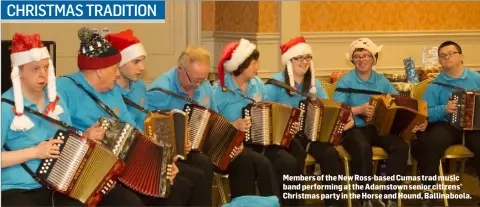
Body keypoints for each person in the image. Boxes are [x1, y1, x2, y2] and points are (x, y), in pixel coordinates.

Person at [55, 27, 179, 206]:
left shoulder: (112, 90)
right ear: (100, 71)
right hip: (88, 174)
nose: (118, 74)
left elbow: (133, 132)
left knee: (173, 188)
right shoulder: (63, 88)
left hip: (121, 168)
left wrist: (160, 160)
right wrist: (84, 135)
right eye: (115, 68)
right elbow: (58, 135)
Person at [145, 45, 277, 200]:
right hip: (178, 153)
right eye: (196, 79)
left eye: (204, 78)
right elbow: (152, 132)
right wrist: (177, 144)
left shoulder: (205, 85)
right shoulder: (160, 92)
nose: (200, 84)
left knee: (245, 160)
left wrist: (231, 140)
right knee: (203, 164)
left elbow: (216, 119)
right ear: (180, 69)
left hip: (208, 144)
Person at [105, 29, 211, 206]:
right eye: (136, 62)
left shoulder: (139, 86)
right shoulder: (110, 90)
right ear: (119, 63)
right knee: (183, 183)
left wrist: (178, 143)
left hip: (153, 148)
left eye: (142, 61)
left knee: (200, 169)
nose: (142, 68)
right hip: (132, 157)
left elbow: (151, 122)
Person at [263, 36, 353, 207]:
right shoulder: (275, 84)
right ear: (290, 60)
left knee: (330, 154)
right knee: (295, 158)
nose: (304, 62)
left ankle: (334, 204)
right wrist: (286, 122)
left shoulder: (314, 84)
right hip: (287, 137)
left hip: (312, 135)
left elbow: (328, 106)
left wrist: (344, 116)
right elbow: (266, 112)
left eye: (307, 57)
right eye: (299, 58)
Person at [1, 32, 83, 206]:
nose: (43, 75)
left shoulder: (56, 100)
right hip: (16, 189)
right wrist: (35, 152)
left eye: (46, 68)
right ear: (20, 71)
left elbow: (69, 138)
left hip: (56, 184)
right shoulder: (5, 107)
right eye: (35, 69)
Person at [333, 38, 411, 207]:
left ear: (373, 58)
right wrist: (358, 109)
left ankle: (389, 194)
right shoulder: (345, 81)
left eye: (366, 56)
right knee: (362, 148)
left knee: (401, 146)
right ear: (352, 60)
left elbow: (397, 103)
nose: (362, 60)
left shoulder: (382, 81)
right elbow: (336, 110)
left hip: (378, 128)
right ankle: (364, 196)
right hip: (354, 128)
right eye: (358, 56)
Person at [412, 41, 480, 207]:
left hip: (473, 126)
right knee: (431, 142)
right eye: (443, 56)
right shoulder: (434, 85)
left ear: (461, 56)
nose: (447, 57)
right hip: (445, 125)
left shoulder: (476, 78)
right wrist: (444, 109)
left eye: (451, 53)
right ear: (440, 61)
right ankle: (427, 192)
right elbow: (425, 115)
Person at [212, 38, 281, 199]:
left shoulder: (257, 84)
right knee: (260, 164)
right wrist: (232, 125)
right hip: (229, 146)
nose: (258, 67)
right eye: (254, 63)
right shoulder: (218, 90)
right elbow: (211, 127)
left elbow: (267, 110)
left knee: (285, 161)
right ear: (241, 66)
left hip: (257, 141)